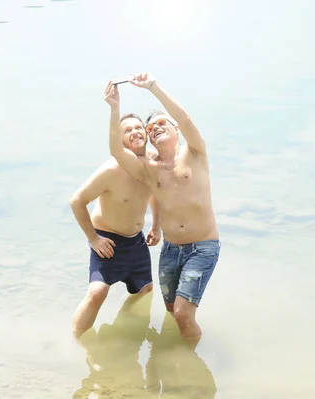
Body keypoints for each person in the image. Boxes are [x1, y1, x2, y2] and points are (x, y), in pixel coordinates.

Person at [105, 73, 221, 342]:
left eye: (161, 123)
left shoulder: (195, 153)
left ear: (175, 129)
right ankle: (177, 356)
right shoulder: (149, 170)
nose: (154, 128)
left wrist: (152, 88)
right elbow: (116, 151)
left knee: (182, 312)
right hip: (170, 250)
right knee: (171, 310)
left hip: (203, 246)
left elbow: (185, 118)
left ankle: (189, 376)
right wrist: (114, 108)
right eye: (150, 129)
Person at [69, 97, 161, 339]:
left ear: (146, 133)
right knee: (97, 293)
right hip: (108, 241)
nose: (134, 132)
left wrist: (156, 225)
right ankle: (76, 341)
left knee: (145, 290)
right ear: (120, 139)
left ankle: (120, 326)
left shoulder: (153, 163)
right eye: (127, 130)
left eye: (138, 128)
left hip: (137, 242)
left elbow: (155, 194)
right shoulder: (111, 170)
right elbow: (77, 201)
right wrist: (93, 239)